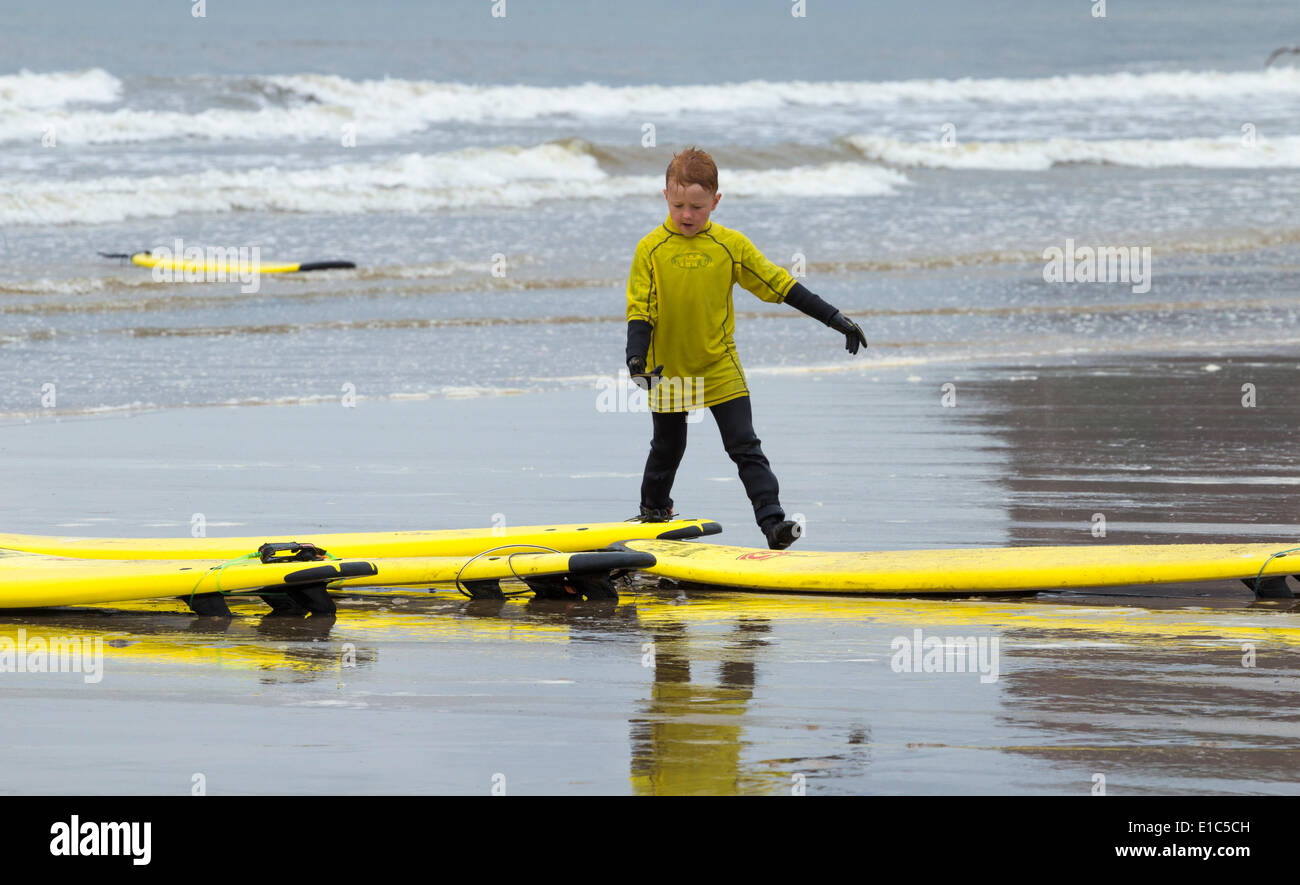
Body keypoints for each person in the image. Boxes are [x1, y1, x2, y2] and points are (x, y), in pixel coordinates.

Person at [624, 146, 868, 549]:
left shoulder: (730, 246)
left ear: (716, 202)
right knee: (667, 448)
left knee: (745, 445)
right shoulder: (650, 249)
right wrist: (635, 359)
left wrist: (834, 317)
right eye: (680, 204)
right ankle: (653, 512)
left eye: (698, 207)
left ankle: (773, 524)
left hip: (719, 366)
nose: (687, 215)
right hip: (666, 368)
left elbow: (780, 284)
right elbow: (641, 310)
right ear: (665, 195)